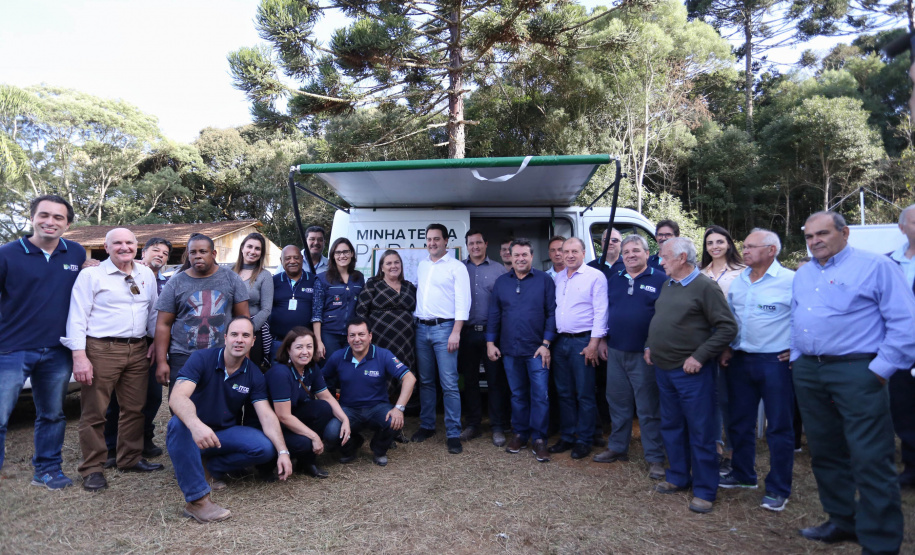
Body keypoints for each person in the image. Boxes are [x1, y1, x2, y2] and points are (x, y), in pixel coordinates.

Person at [792, 212, 915, 553]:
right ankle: (842, 520)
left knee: (870, 456)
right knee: (825, 451)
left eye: (822, 233)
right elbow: (797, 316)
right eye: (809, 235)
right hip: (811, 371)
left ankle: (880, 541)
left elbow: (906, 322)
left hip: (858, 370)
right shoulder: (804, 274)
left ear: (844, 232)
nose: (815, 240)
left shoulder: (876, 267)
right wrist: (798, 358)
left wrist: (880, 370)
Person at [62, 228, 164, 491]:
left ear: (136, 246)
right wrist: (79, 356)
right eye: (117, 243)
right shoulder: (91, 275)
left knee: (134, 409)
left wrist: (154, 344)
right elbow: (77, 316)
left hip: (138, 349)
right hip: (101, 349)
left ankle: (129, 458)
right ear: (105, 248)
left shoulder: (145, 275)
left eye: (129, 242)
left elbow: (153, 311)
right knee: (95, 412)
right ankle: (93, 468)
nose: (124, 247)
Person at [166, 317, 293, 523]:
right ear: (225, 338)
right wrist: (196, 426)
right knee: (177, 423)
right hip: (193, 432)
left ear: (253, 341)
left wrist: (283, 452)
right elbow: (177, 397)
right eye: (234, 334)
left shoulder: (254, 373)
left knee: (264, 448)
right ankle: (197, 501)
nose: (239, 340)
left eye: (245, 336)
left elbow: (267, 416)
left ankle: (211, 467)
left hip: (222, 435)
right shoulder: (201, 359)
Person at [645, 236, 737, 514]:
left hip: (691, 373)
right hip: (664, 369)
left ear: (682, 258)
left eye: (664, 257)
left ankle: (705, 490)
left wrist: (699, 356)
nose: (660, 262)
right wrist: (650, 344)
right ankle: (678, 477)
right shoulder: (668, 284)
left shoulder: (705, 287)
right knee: (671, 426)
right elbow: (661, 319)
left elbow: (727, 328)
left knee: (701, 430)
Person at [0, 195, 86, 489]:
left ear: (68, 224)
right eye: (44, 215)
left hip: (57, 351)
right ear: (33, 218)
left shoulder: (75, 253)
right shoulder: (7, 254)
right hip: (11, 349)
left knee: (52, 414)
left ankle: (47, 471)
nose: (50, 222)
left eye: (58, 218)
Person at [718, 228, 795, 512]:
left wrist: (796, 348)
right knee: (739, 422)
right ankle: (743, 474)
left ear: (771, 250)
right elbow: (731, 318)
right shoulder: (740, 281)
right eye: (744, 246)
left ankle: (778, 488)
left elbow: (805, 316)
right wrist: (726, 347)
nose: (745, 250)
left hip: (775, 362)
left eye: (751, 246)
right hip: (740, 360)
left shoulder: (790, 281)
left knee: (778, 426)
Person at [594, 234, 667, 480]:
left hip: (644, 355)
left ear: (648, 254)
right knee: (617, 403)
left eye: (636, 250)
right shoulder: (614, 280)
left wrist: (653, 345)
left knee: (647, 409)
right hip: (615, 351)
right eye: (626, 252)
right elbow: (605, 312)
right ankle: (617, 447)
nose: (631, 255)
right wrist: (603, 339)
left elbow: (664, 318)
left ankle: (655, 457)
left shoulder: (660, 280)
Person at [104, 237, 173, 464]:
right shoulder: (128, 275)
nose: (160, 255)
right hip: (126, 344)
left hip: (154, 345)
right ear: (142, 252)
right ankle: (111, 443)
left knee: (152, 397)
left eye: (165, 253)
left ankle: (144, 438)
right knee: (118, 399)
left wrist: (157, 344)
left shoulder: (169, 283)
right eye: (156, 250)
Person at [486, 238, 556, 462]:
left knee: (540, 395)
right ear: (510, 257)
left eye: (524, 254)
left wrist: (546, 343)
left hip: (537, 350)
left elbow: (552, 314)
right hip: (510, 349)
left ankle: (539, 439)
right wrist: (490, 342)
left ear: (531, 256)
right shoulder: (502, 283)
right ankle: (520, 434)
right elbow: (494, 314)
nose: (520, 258)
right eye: (516, 255)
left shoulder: (544, 280)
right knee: (517, 395)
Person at [154, 233, 250, 390]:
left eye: (203, 251)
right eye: (193, 252)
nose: (197, 256)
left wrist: (244, 358)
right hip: (183, 357)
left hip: (223, 355)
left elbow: (244, 322)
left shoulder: (232, 279)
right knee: (181, 406)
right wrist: (162, 362)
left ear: (213, 254)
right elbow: (163, 324)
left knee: (221, 406)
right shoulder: (176, 282)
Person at [410, 223, 471, 455]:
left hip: (445, 329)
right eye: (429, 239)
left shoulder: (456, 267)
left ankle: (453, 433)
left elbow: (463, 302)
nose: (432, 243)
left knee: (449, 383)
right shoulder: (423, 265)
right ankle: (427, 425)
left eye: (437, 239)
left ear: (446, 241)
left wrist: (456, 331)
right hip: (421, 329)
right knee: (425, 382)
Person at [323, 318, 417, 466]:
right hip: (348, 410)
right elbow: (320, 380)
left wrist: (399, 408)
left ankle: (379, 449)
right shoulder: (338, 356)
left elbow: (409, 378)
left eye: (361, 334)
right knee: (331, 433)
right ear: (347, 338)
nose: (357, 339)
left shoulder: (383, 355)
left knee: (394, 421)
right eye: (352, 335)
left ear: (370, 336)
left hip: (377, 408)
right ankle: (352, 446)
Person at [549, 237, 608, 460]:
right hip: (561, 341)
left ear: (584, 253)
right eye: (566, 252)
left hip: (583, 342)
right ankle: (567, 436)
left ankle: (584, 439)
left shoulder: (595, 277)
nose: (570, 255)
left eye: (575, 251)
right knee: (563, 393)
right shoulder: (559, 278)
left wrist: (594, 344)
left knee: (584, 393)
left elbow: (601, 312)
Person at [265, 327, 351, 478]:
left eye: (309, 346)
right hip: (272, 425)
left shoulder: (311, 367)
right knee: (304, 443)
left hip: (292, 417)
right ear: (288, 350)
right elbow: (283, 416)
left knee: (323, 407)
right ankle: (267, 465)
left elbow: (327, 397)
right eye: (299, 347)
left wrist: (345, 419)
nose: (305, 352)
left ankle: (307, 463)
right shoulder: (280, 373)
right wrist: (314, 436)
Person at [700, 224, 745, 475]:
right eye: (710, 243)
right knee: (711, 398)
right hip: (704, 344)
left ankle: (732, 453)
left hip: (732, 343)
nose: (715, 247)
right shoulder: (700, 272)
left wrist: (729, 343)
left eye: (719, 242)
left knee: (731, 399)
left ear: (729, 243)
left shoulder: (742, 272)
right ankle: (716, 450)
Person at [354, 249, 417, 430]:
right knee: (382, 380)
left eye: (396, 262)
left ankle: (395, 424)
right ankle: (381, 422)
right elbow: (361, 312)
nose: (393, 266)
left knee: (402, 380)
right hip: (380, 342)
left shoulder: (409, 286)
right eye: (388, 263)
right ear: (381, 267)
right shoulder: (373, 284)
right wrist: (364, 339)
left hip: (405, 342)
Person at [458, 230, 510, 445]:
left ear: (486, 243)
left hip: (492, 334)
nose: (475, 246)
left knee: (495, 381)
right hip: (466, 333)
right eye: (471, 243)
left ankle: (497, 426)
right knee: (469, 380)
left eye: (479, 242)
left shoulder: (499, 270)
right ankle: (473, 424)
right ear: (466, 245)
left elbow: (502, 305)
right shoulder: (459, 268)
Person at [888, 203, 915, 489]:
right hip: (898, 352)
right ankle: (911, 468)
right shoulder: (887, 262)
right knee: (903, 410)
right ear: (902, 228)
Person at [312, 237, 365, 364]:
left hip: (353, 335)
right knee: (331, 371)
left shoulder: (359, 278)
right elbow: (316, 312)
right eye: (338, 252)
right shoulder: (322, 279)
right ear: (333, 256)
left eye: (346, 252)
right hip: (329, 334)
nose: (342, 256)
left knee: (351, 371)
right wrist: (318, 341)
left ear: (352, 254)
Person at [231, 232, 273, 368]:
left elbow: (266, 309)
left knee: (249, 369)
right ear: (242, 248)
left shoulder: (264, 276)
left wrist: (248, 329)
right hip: (227, 330)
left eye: (257, 249)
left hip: (253, 330)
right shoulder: (228, 271)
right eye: (249, 247)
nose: (253, 251)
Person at [270, 245, 316, 356]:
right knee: (278, 373)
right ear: (281, 261)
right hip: (278, 343)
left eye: (296, 257)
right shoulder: (273, 281)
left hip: (305, 344)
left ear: (302, 259)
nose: (292, 261)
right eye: (288, 258)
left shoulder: (314, 280)